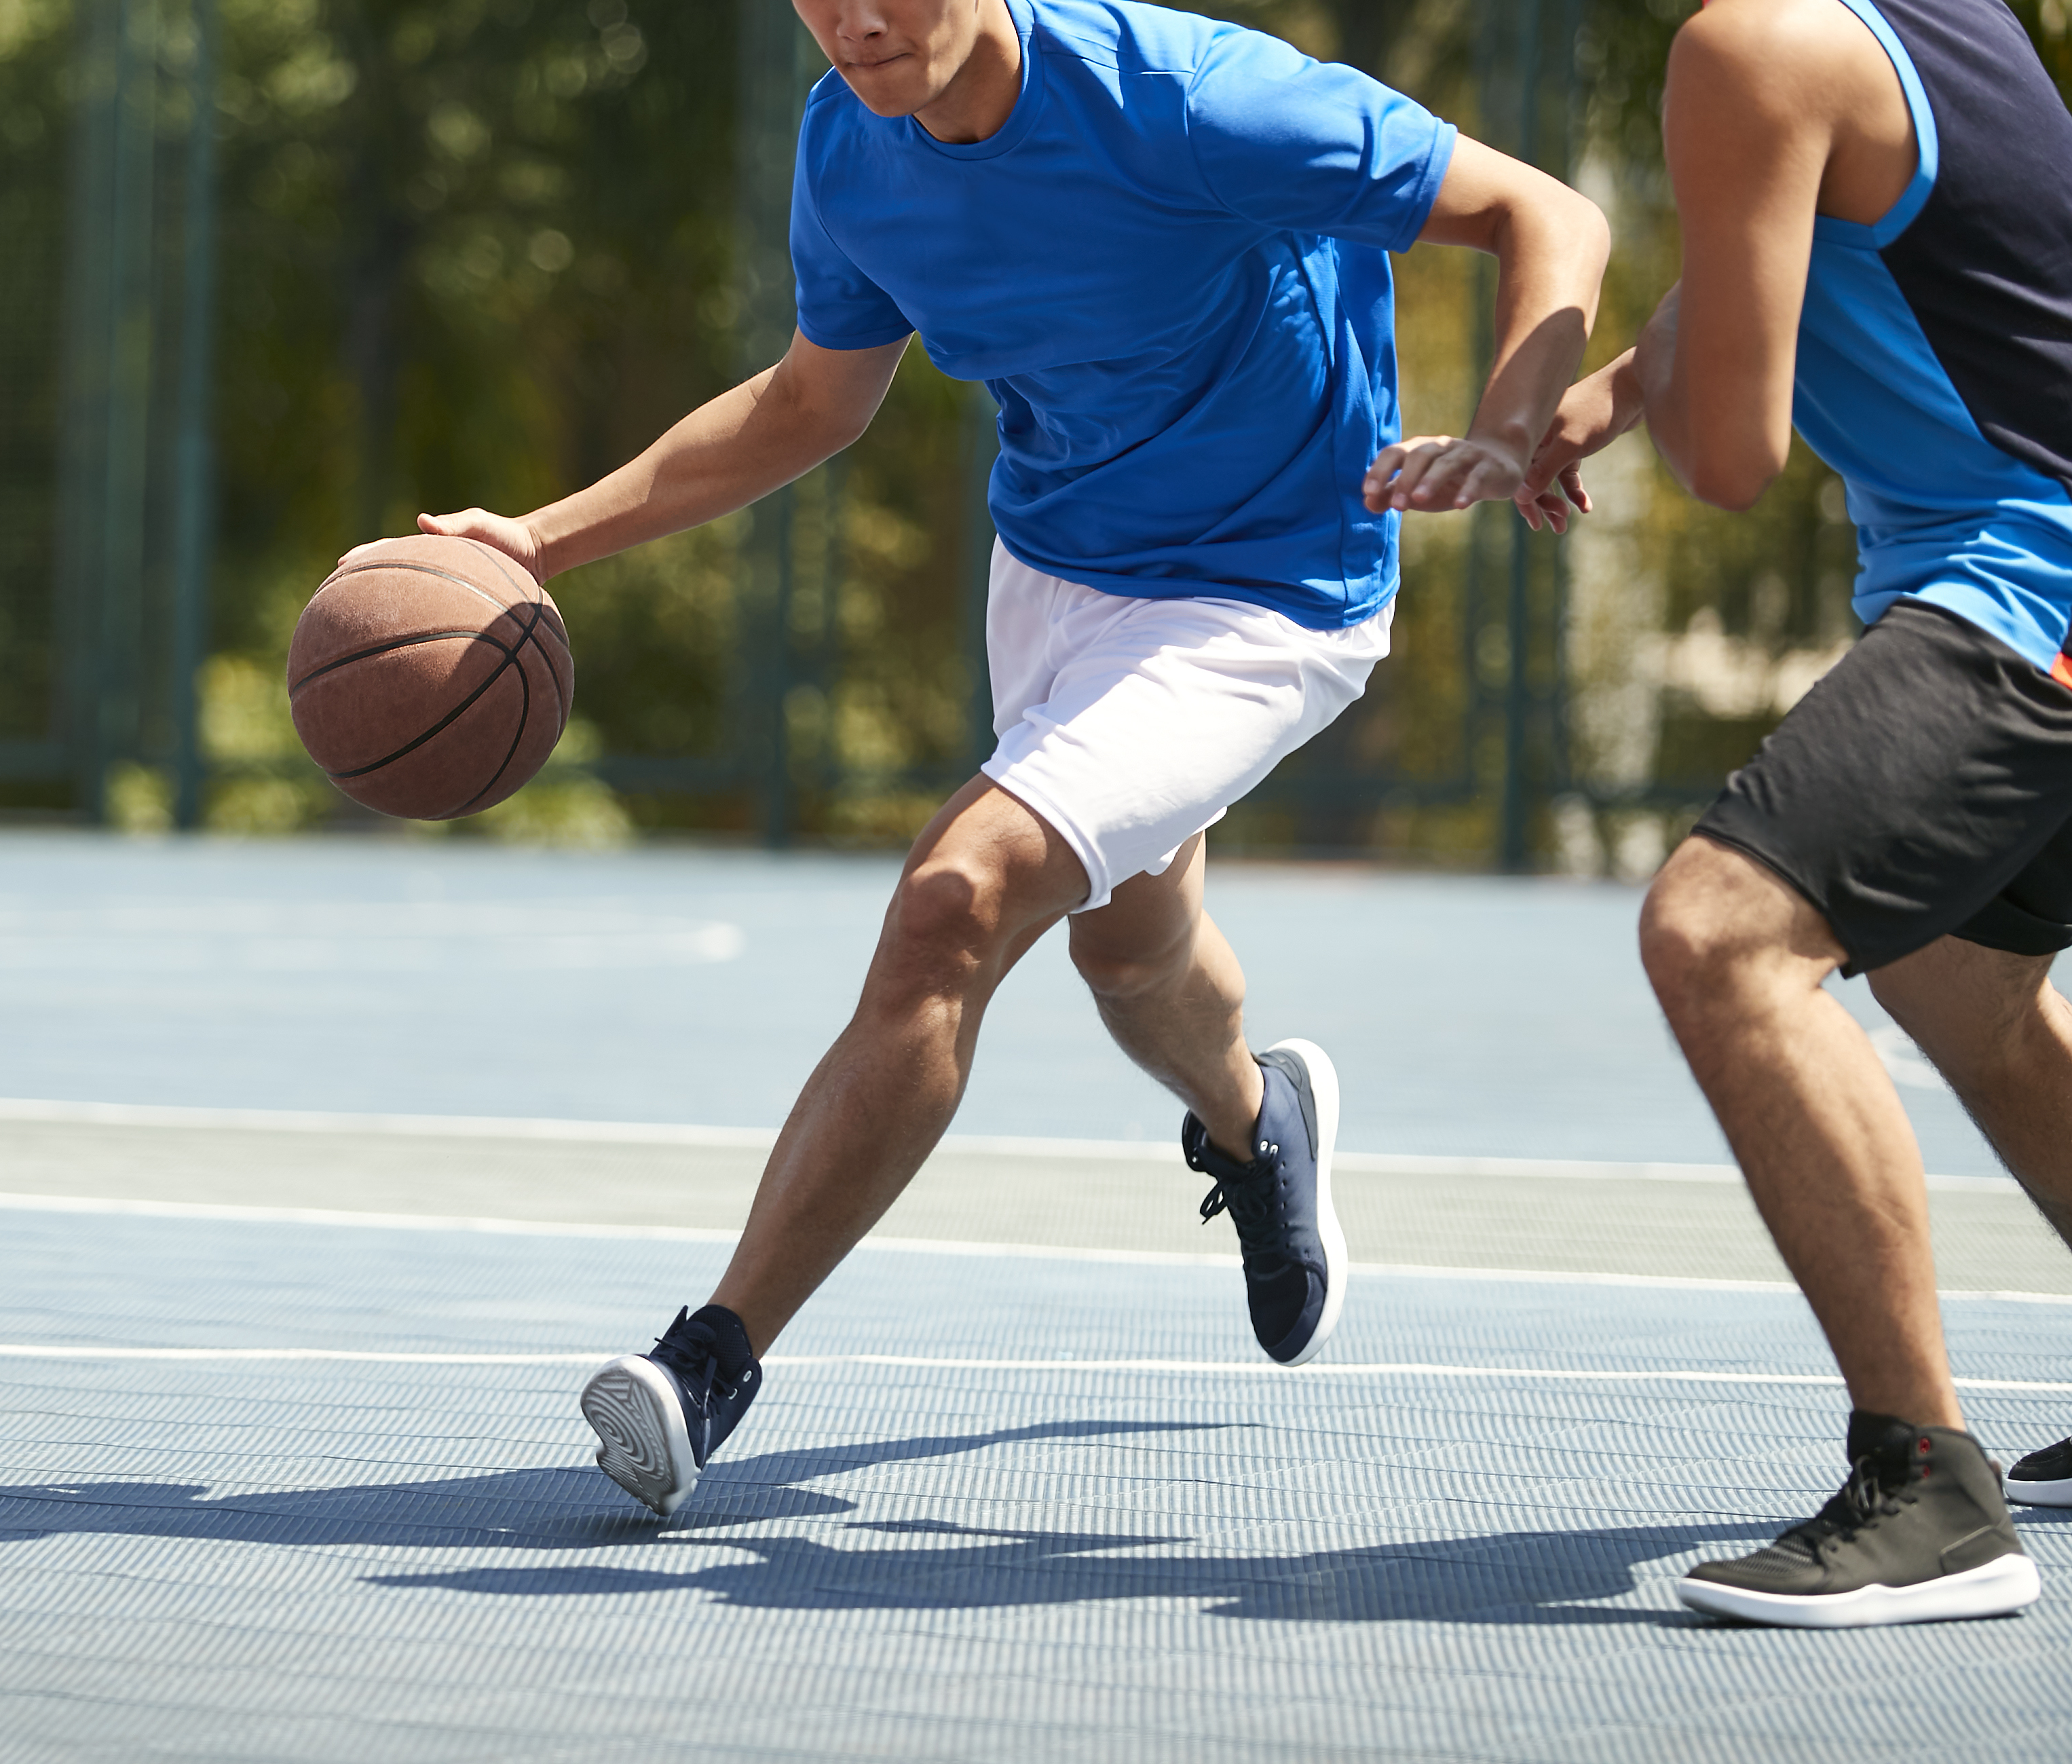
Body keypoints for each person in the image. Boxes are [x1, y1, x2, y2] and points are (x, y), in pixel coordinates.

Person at [389, 0, 1607, 1518]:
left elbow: (1539, 211)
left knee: (953, 899)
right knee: (1130, 952)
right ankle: (1257, 1123)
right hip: (1055, 568)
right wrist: (539, 542)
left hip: (1264, 592)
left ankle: (710, 1357)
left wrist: (1506, 424)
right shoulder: (851, 149)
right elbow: (810, 399)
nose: (855, 20)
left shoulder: (1193, 100)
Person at [1529, 0, 2072, 1626]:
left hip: (2020, 579)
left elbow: (1736, 464)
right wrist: (1620, 385)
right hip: (2021, 573)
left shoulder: (1741, 48)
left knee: (1720, 934)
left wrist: (1614, 367)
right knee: (1950, 981)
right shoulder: (1933, 19)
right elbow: (1812, 213)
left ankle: (1928, 1488)